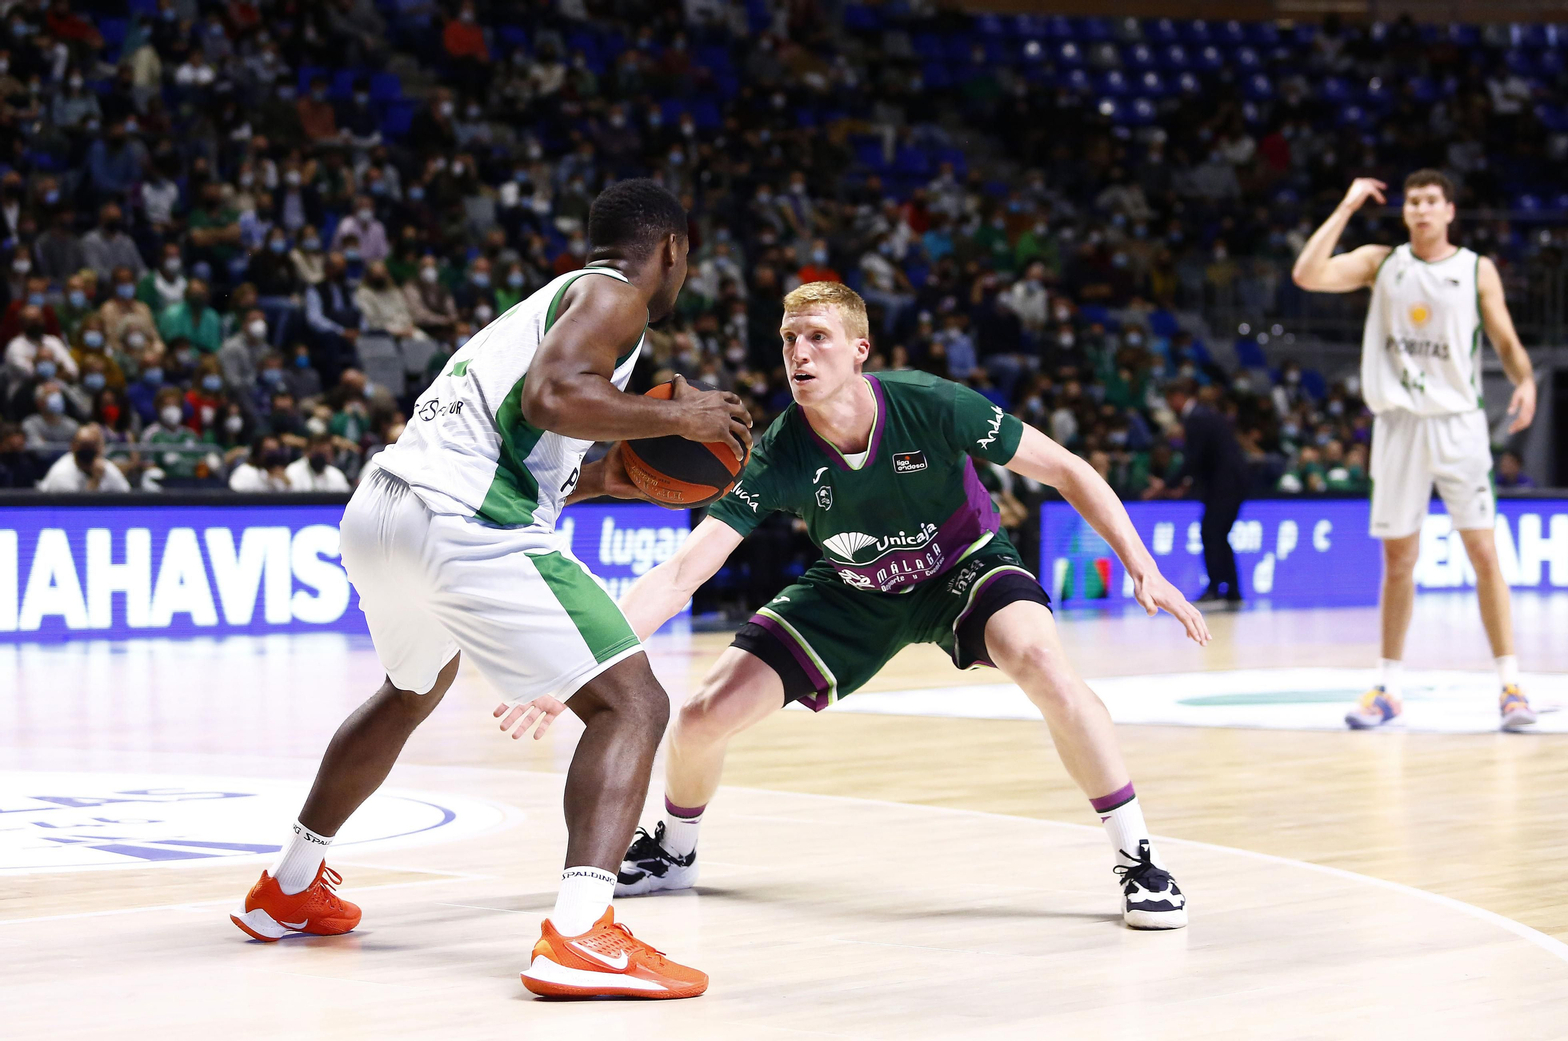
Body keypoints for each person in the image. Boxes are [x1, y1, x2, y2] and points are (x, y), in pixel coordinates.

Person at [504, 282, 1208, 930]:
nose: (798, 352)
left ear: (858, 350)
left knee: (1042, 662)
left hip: (963, 566)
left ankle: (1140, 859)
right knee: (698, 718)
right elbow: (686, 569)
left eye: (815, 336)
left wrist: (1144, 567)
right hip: (852, 587)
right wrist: (580, 666)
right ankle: (676, 853)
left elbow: (1068, 469)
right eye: (787, 340)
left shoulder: (934, 404)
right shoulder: (777, 451)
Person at [233, 179, 751, 1000]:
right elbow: (553, 396)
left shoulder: (548, 304)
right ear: (672, 251)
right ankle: (582, 932)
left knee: (409, 692)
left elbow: (533, 434)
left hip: (384, 508)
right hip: (461, 520)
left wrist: (614, 474)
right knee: (633, 704)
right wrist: (678, 422)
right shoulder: (617, 297)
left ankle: (289, 886)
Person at [1292, 171, 1538, 731]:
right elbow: (1307, 274)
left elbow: (1503, 337)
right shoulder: (1382, 263)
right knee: (1399, 560)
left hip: (1458, 425)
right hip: (1399, 425)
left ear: (1450, 210)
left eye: (1432, 202)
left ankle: (1510, 685)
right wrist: (1348, 205)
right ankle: (1389, 688)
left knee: (1483, 553)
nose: (1422, 210)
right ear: (1405, 213)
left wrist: (1525, 379)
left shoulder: (1476, 268)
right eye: (1413, 203)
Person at [1162, 379, 1249, 606]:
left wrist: (1168, 484)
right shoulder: (1204, 415)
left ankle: (1215, 589)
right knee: (1218, 535)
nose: (1170, 405)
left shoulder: (1197, 418)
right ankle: (1232, 590)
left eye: (1170, 400)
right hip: (1230, 484)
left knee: (1211, 533)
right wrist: (1184, 484)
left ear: (1178, 397)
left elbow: (1194, 459)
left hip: (1225, 485)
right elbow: (1204, 459)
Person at [37, 423, 130, 491]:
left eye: (92, 445)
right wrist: (95, 480)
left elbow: (126, 494)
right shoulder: (62, 473)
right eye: (84, 445)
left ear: (100, 449)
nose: (88, 450)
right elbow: (76, 513)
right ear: (73, 447)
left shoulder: (105, 467)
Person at [284, 432, 351, 491]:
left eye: (326, 453)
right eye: (319, 452)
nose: (322, 457)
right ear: (307, 452)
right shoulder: (294, 471)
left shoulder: (335, 474)